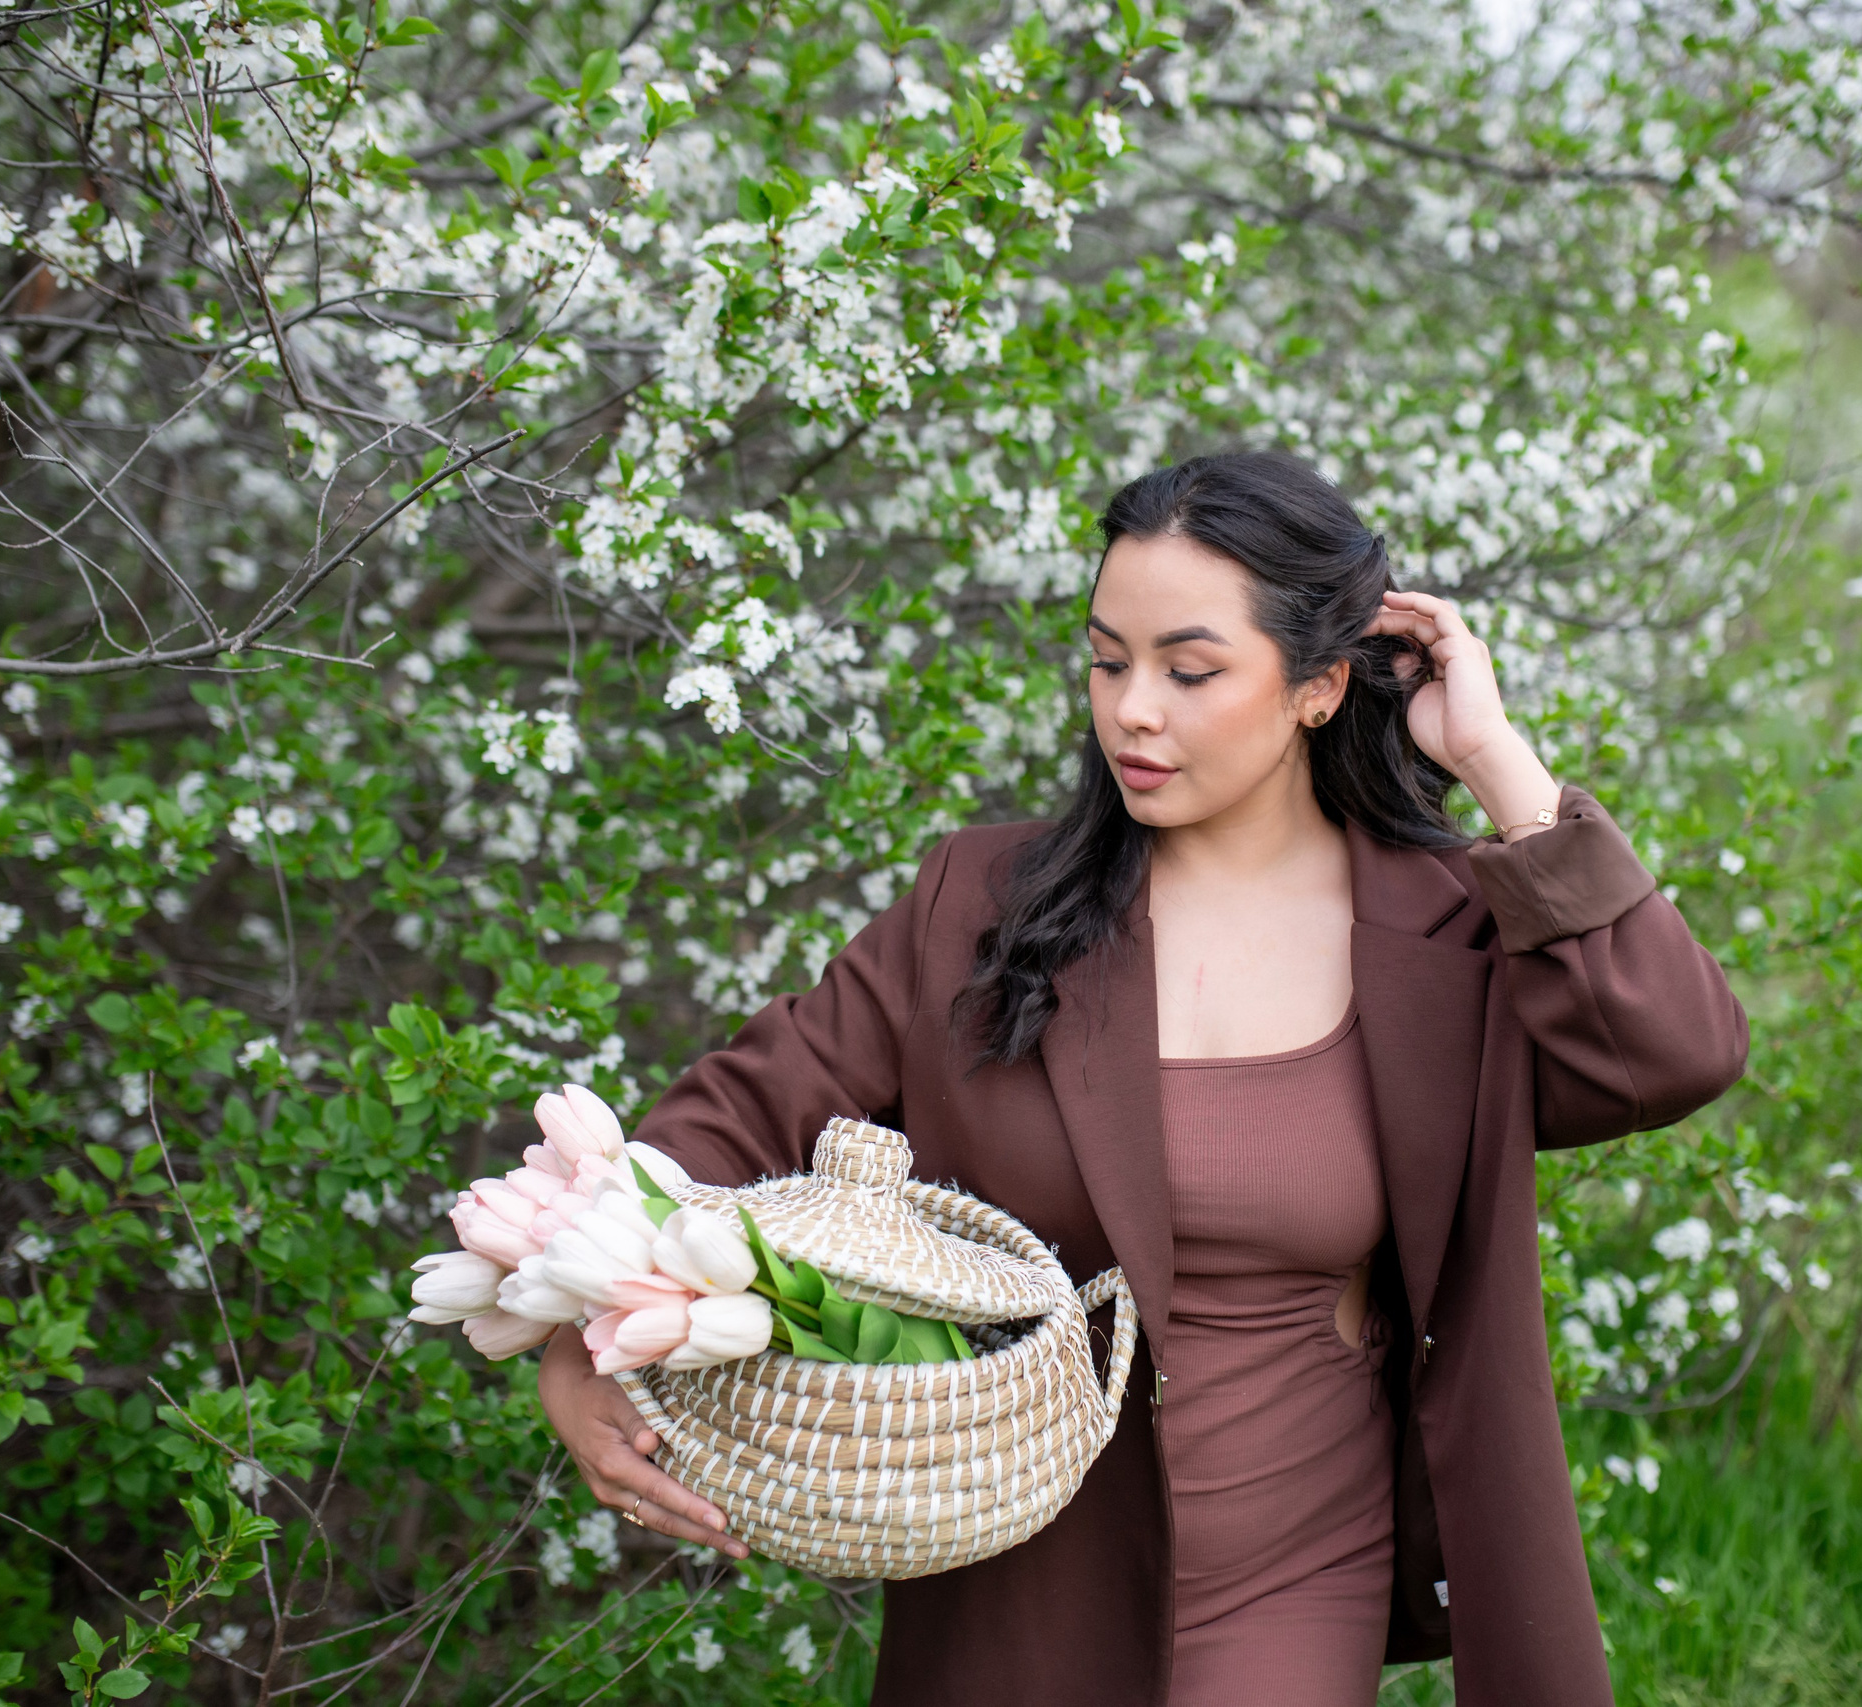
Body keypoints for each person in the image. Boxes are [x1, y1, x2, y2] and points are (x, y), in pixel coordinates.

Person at [535, 450, 1748, 1707]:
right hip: (1019, 1564)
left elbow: (1670, 1053)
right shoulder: (982, 908)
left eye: (1190, 669)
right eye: (1109, 661)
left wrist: (1497, 763)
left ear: (1320, 687)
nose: (1132, 711)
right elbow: (730, 1115)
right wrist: (582, 1342)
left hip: (1302, 1559)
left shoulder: (1444, 931)